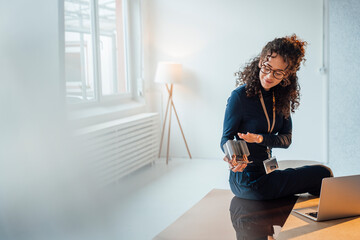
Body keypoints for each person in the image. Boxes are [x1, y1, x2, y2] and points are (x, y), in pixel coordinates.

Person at [220, 34, 333, 200]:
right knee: (323, 175)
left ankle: (317, 213)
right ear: (260, 62)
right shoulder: (240, 97)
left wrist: (259, 139)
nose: (269, 76)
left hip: (268, 171)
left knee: (324, 174)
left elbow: (286, 140)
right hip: (248, 180)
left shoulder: (281, 98)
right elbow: (226, 138)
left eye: (278, 72)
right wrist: (234, 158)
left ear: (287, 74)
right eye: (266, 68)